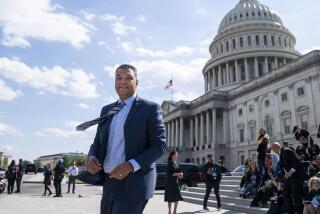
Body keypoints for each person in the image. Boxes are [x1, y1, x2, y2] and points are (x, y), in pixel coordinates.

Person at [82, 64, 166, 214]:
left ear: (136, 82)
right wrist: (92, 157)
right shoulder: (106, 110)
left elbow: (159, 146)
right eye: (119, 78)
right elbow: (97, 141)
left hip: (134, 183)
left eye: (128, 78)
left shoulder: (150, 108)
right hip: (109, 181)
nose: (123, 81)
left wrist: (131, 165)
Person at [272, 141, 305, 214]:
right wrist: (277, 178)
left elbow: (298, 161)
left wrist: (290, 172)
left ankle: (300, 212)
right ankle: (290, 211)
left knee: (297, 197)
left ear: (277, 147)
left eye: (274, 149)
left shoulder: (286, 150)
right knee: (285, 194)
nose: (274, 151)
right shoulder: (281, 154)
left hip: (296, 176)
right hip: (289, 178)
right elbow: (282, 166)